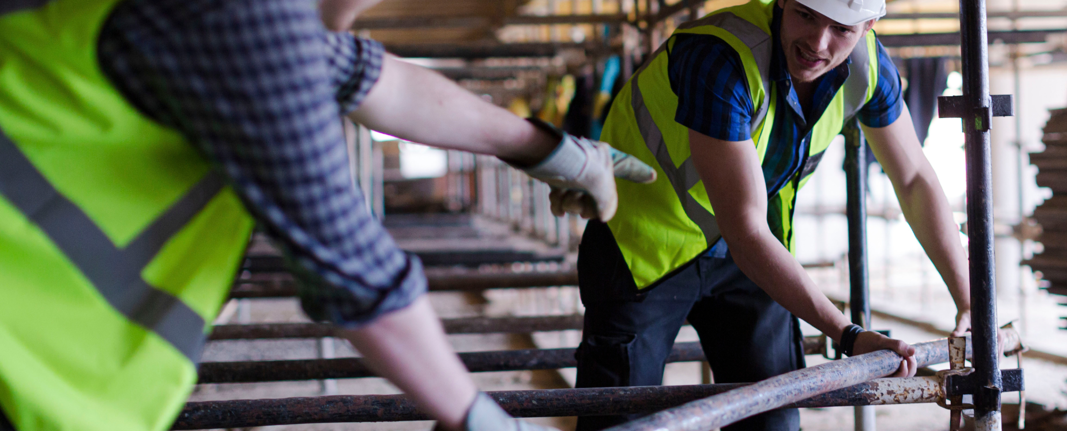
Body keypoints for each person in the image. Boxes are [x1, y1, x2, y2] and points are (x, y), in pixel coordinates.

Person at [0, 0, 655, 430]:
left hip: (55, 378)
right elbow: (351, 265)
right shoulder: (243, 15)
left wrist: (554, 150)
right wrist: (476, 414)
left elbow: (382, 83)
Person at [575, 0, 975, 429]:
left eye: (841, 28)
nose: (817, 43)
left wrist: (969, 299)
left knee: (773, 420)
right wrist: (848, 334)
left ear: (869, 24)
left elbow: (914, 177)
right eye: (806, 15)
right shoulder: (719, 55)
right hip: (643, 244)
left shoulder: (869, 67)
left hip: (753, 252)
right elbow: (745, 227)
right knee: (621, 418)